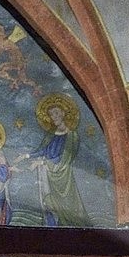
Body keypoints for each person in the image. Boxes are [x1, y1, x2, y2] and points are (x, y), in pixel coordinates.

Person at [34, 93, 89, 226]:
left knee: (68, 205)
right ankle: (53, 225)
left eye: (57, 113)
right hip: (48, 174)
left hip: (63, 176)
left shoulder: (72, 136)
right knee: (49, 202)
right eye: (51, 114)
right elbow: (42, 150)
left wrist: (44, 162)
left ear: (63, 113)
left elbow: (66, 158)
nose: (54, 117)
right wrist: (27, 156)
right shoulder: (50, 135)